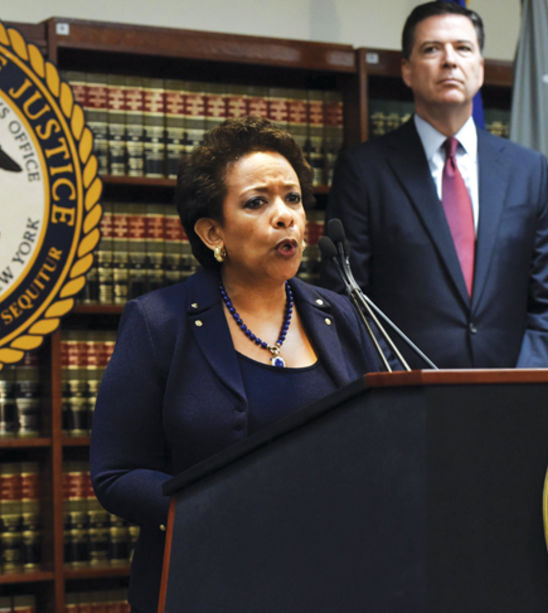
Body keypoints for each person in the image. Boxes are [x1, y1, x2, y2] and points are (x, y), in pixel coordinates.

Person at [88, 116, 382, 612]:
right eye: (257, 202)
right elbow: (116, 474)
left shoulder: (343, 316)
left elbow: (381, 445)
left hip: (331, 580)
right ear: (212, 232)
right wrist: (227, 508)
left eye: (293, 198)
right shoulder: (159, 323)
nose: (285, 216)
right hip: (207, 580)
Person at [321, 1, 548, 368]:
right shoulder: (364, 171)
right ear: (407, 70)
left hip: (514, 390)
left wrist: (525, 383)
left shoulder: (528, 170)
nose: (450, 60)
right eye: (432, 49)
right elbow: (348, 298)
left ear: (480, 69)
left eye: (463, 48)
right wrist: (402, 384)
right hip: (406, 391)